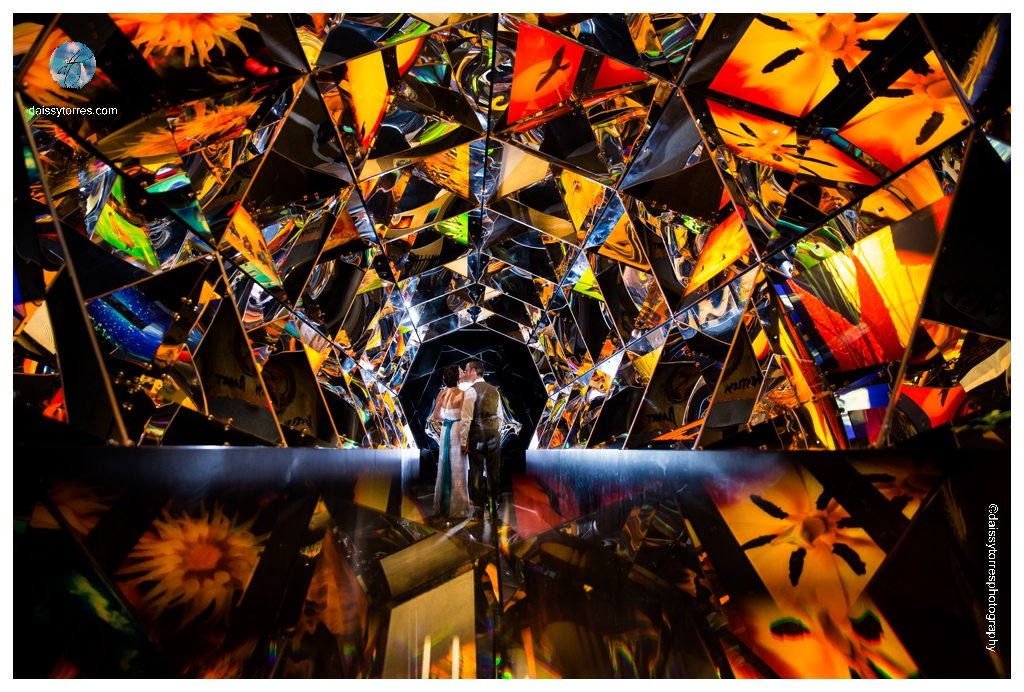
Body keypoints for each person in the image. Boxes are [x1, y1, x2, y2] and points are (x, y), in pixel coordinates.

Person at [458, 360, 503, 516]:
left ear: (473, 372)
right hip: (493, 435)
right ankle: (493, 506)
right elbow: (500, 416)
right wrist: (494, 429)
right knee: (493, 471)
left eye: (466, 370)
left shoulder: (470, 391)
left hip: (476, 435)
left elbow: (466, 419)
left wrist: (463, 442)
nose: (465, 372)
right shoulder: (494, 390)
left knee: (476, 471)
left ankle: (478, 508)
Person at [428, 365, 472, 520]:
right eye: (460, 372)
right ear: (457, 377)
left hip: (446, 430)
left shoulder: (442, 393)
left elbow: (435, 416)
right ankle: (458, 509)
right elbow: (466, 418)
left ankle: (443, 506)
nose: (462, 373)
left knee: (445, 465)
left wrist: (448, 420)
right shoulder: (462, 394)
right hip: (457, 430)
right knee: (459, 468)